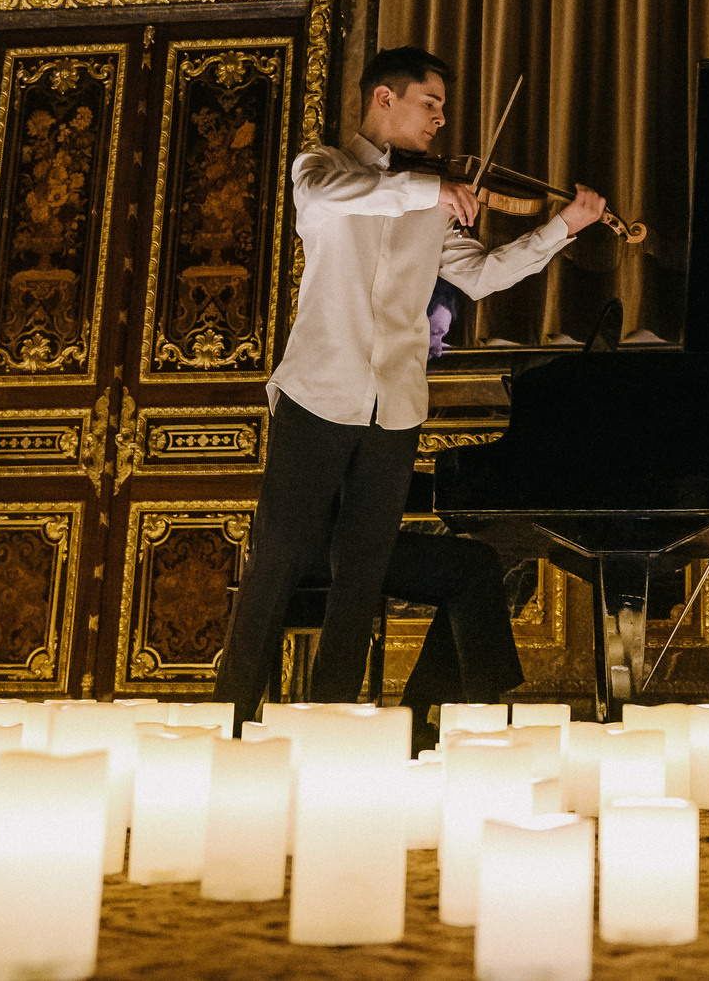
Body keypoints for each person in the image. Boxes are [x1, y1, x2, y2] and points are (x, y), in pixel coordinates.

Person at [214, 46, 607, 734]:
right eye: (431, 105)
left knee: (363, 572)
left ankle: (327, 727)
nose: (441, 121)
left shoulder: (431, 198)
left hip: (394, 405)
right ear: (384, 100)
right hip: (318, 394)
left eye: (445, 111)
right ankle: (226, 725)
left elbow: (481, 274)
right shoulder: (323, 169)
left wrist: (560, 228)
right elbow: (347, 196)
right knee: (278, 555)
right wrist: (430, 192)